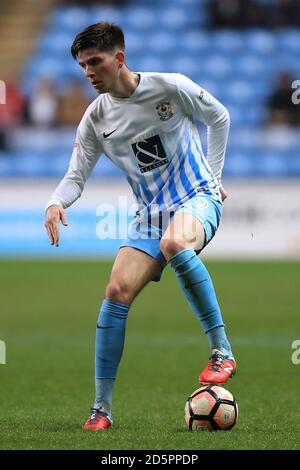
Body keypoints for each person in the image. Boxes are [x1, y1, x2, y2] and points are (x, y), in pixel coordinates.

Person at [45, 22, 236, 431]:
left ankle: (222, 350)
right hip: (150, 217)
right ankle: (101, 410)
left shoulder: (169, 87)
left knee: (174, 243)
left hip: (196, 198)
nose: (88, 73)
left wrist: (215, 179)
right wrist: (55, 202)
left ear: (119, 58)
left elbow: (219, 117)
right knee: (116, 291)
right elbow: (75, 175)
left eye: (95, 62)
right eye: (82, 66)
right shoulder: (96, 117)